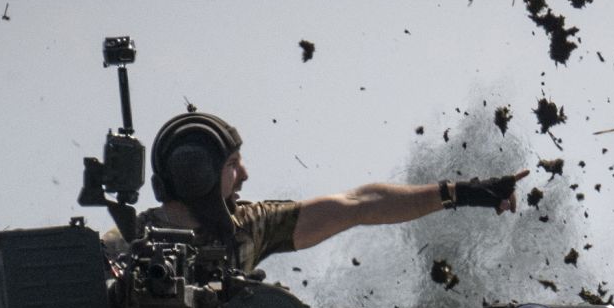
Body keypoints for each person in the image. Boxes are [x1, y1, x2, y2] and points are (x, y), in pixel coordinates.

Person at [104, 109, 527, 273]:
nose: (245, 175)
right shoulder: (122, 244)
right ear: (199, 176)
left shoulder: (250, 227)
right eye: (232, 165)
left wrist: (465, 192)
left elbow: (360, 205)